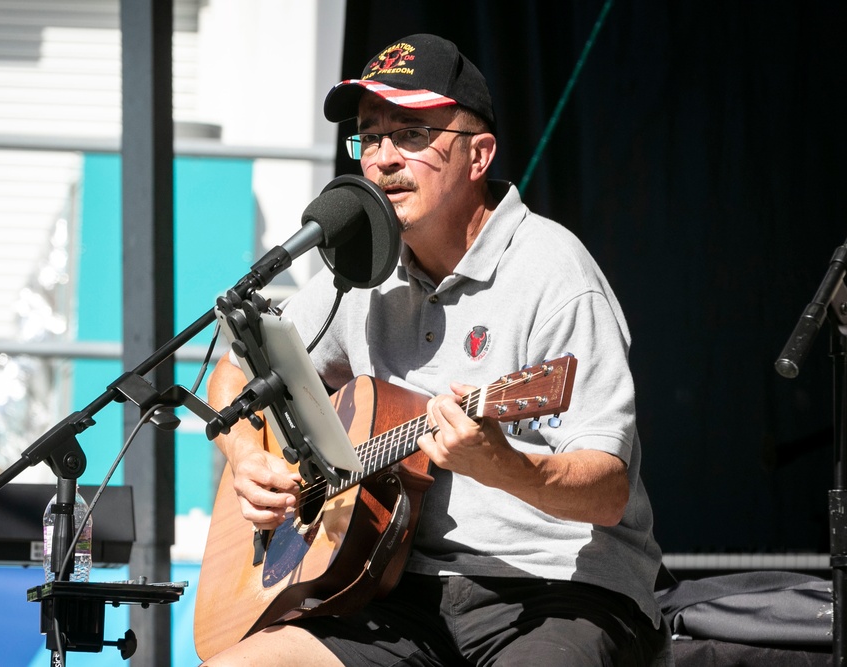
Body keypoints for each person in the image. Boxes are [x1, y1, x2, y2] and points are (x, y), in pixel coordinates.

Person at [203, 33, 670, 666]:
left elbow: (606, 489)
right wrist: (242, 457)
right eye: (370, 137)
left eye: (412, 134)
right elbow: (234, 372)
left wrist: (501, 464)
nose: (383, 160)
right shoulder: (364, 273)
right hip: (393, 587)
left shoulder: (557, 277)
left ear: (478, 156)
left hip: (557, 592)